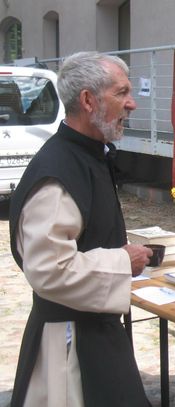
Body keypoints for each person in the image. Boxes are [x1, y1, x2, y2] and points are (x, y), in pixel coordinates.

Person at [9, 51, 153, 407]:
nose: (132, 104)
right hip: (68, 346)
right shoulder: (59, 170)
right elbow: (49, 269)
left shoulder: (87, 156)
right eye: (121, 93)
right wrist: (123, 261)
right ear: (88, 100)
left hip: (95, 333)